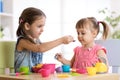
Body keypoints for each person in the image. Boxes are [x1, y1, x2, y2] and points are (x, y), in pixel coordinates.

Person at [14, 7, 74, 72]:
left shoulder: (37, 40)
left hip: (34, 77)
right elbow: (39, 48)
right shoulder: (22, 41)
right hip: (21, 77)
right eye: (39, 26)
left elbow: (42, 47)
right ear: (27, 26)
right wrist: (61, 40)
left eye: (43, 26)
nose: (42, 30)